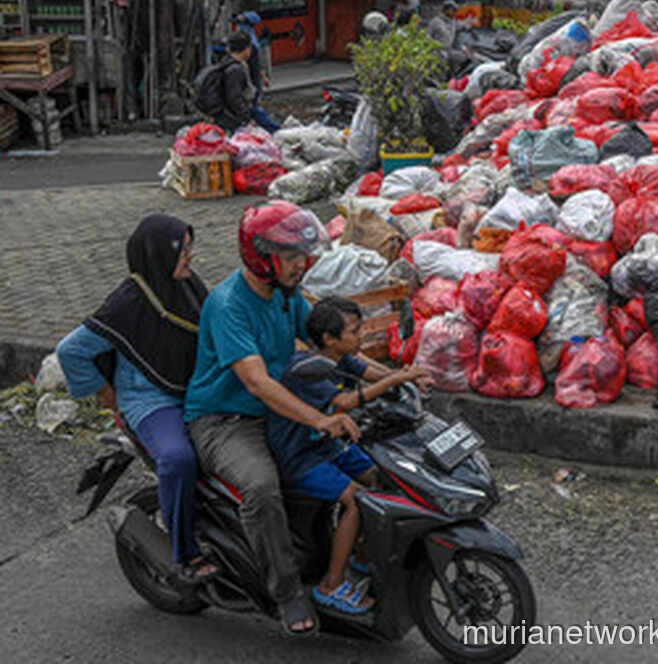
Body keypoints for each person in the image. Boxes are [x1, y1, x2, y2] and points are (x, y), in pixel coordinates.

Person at [185, 200, 356, 636]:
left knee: (356, 456)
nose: (304, 263)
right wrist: (319, 420)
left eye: (304, 253)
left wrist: (397, 378)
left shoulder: (288, 298)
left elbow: (328, 346)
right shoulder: (228, 305)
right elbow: (257, 383)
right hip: (225, 420)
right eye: (293, 256)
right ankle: (286, 591)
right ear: (262, 257)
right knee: (262, 486)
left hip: (276, 410)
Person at [57, 215, 218, 584]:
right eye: (183, 249)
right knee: (178, 459)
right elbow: (71, 351)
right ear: (158, 253)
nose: (190, 256)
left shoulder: (187, 286)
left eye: (191, 247)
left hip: (194, 389)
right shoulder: (128, 301)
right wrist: (108, 397)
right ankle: (185, 554)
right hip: (149, 400)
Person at [269, 298, 432, 615]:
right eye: (354, 331)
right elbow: (344, 402)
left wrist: (408, 376)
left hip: (331, 445)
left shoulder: (340, 357)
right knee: (356, 501)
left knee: (387, 477)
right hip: (302, 457)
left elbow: (371, 371)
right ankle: (330, 585)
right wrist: (394, 380)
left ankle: (359, 554)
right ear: (329, 338)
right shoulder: (308, 369)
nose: (361, 337)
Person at [234, 12, 279, 132]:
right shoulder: (250, 40)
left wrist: (259, 78)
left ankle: (274, 129)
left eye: (240, 24)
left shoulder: (248, 43)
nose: (237, 26)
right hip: (252, 81)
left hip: (251, 82)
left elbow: (253, 65)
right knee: (251, 108)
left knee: (252, 109)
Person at [210, 31, 254, 132]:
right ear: (246, 49)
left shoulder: (227, 62)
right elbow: (234, 98)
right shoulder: (235, 69)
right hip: (232, 119)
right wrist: (246, 118)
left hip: (225, 116)